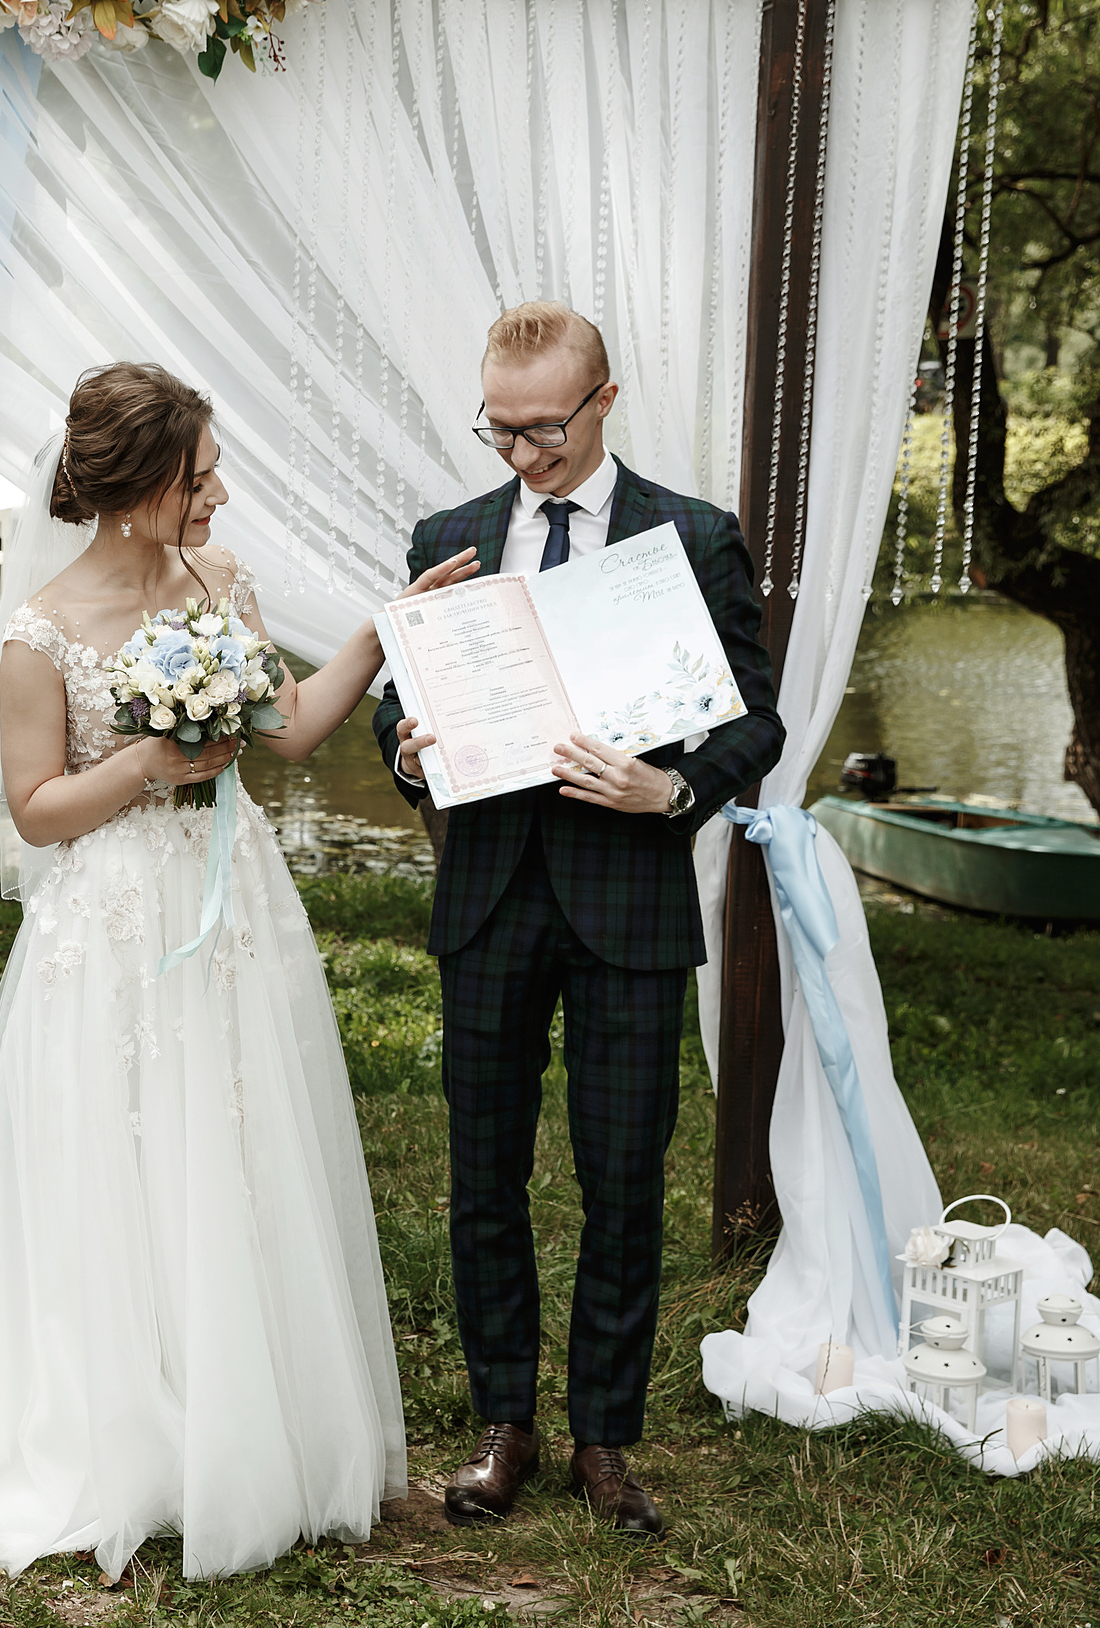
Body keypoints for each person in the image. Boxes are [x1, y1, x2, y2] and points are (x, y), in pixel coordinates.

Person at [0, 363, 478, 1580]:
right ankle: (125, 1423)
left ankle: (247, 1419)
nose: (217, 497)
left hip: (233, 900)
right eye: (197, 478)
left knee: (242, 1146)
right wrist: (152, 762)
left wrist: (387, 630)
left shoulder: (225, 584)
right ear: (135, 488)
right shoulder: (38, 630)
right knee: (128, 1157)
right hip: (109, 926)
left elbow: (295, 727)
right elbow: (40, 812)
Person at [374, 302, 782, 1538]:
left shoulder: (692, 536)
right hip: (489, 897)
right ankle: (503, 1423)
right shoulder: (447, 536)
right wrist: (404, 747)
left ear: (605, 400)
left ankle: (605, 1439)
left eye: (544, 429)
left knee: (623, 1181)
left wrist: (679, 788)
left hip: (628, 902)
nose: (520, 457)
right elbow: (402, 708)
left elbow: (753, 718)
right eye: (498, 430)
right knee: (482, 1181)